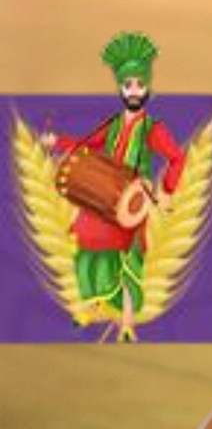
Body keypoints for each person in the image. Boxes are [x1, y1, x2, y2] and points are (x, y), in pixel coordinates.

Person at [32, 30, 186, 324]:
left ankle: (127, 320)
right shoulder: (112, 124)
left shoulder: (153, 128)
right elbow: (87, 146)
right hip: (102, 195)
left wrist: (166, 192)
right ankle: (92, 307)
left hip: (132, 200)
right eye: (128, 85)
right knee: (87, 250)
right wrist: (58, 142)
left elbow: (177, 158)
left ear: (147, 88)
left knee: (124, 260)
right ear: (121, 90)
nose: (134, 91)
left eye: (140, 85)